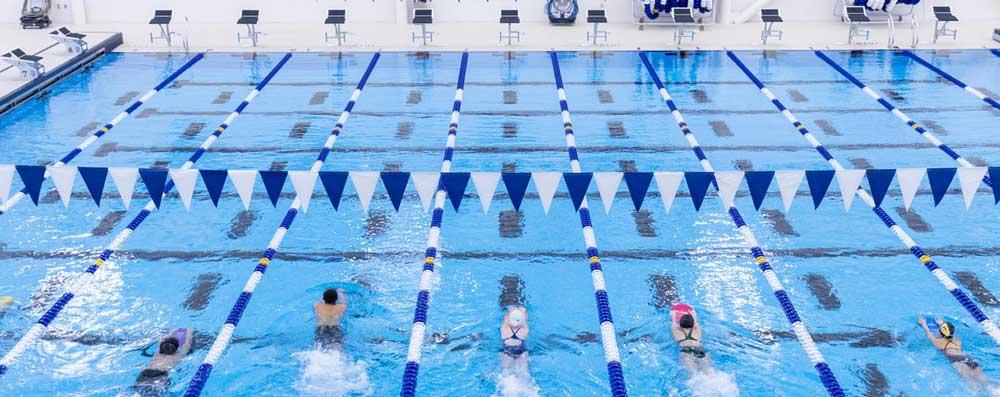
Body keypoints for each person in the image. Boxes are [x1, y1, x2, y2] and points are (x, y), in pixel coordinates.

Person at [918, 317, 994, 391]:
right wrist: (942, 323)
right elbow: (949, 333)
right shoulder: (957, 341)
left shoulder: (939, 343)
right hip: (969, 359)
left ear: (940, 332)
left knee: (972, 384)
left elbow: (928, 333)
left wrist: (923, 323)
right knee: (986, 381)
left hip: (957, 361)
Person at [133, 328, 194, 395]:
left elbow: (163, 338)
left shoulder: (158, 353)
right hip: (160, 374)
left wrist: (173, 330)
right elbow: (187, 342)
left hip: (145, 372)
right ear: (176, 349)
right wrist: (189, 331)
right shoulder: (178, 355)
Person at [670, 304, 713, 374]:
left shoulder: (677, 332)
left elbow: (673, 323)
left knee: (693, 374)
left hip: (686, 350)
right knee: (709, 371)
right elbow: (696, 323)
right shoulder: (697, 331)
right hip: (700, 349)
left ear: (680, 324)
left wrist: (673, 314)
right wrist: (693, 314)